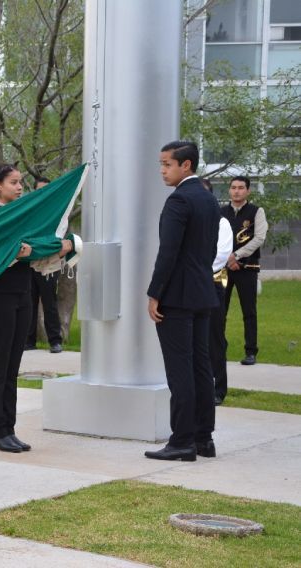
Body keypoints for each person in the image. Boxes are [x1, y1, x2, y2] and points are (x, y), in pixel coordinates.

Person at [0, 164, 72, 453]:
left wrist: (44, 248)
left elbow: (32, 245)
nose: (20, 188)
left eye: (21, 182)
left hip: (21, 295)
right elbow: (0, 252)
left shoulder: (20, 214)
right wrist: (25, 251)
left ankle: (9, 427)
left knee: (12, 367)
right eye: (14, 183)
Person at [146, 141, 220, 462]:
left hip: (176, 297)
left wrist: (154, 293)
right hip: (203, 292)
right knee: (201, 367)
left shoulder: (179, 201)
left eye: (167, 164)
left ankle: (182, 441)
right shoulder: (208, 199)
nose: (162, 170)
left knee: (181, 370)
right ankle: (204, 438)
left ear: (185, 165)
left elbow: (168, 253)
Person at [222, 175, 268, 366]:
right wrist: (227, 258)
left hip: (247, 268)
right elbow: (214, 237)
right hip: (223, 270)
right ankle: (218, 351)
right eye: (233, 187)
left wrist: (237, 256)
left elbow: (259, 238)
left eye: (241, 187)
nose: (237, 191)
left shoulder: (256, 211)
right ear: (229, 190)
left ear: (248, 191)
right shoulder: (221, 212)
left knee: (249, 311)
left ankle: (251, 352)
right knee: (218, 310)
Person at [202, 179, 233, 406]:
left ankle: (218, 388)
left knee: (214, 338)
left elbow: (221, 256)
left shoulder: (221, 223)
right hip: (189, 284)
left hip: (211, 284)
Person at [25, 176, 64, 353]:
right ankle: (28, 341)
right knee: (29, 303)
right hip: (30, 264)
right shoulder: (29, 211)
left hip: (49, 265)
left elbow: (58, 240)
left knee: (50, 303)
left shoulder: (57, 212)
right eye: (40, 189)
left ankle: (55, 341)